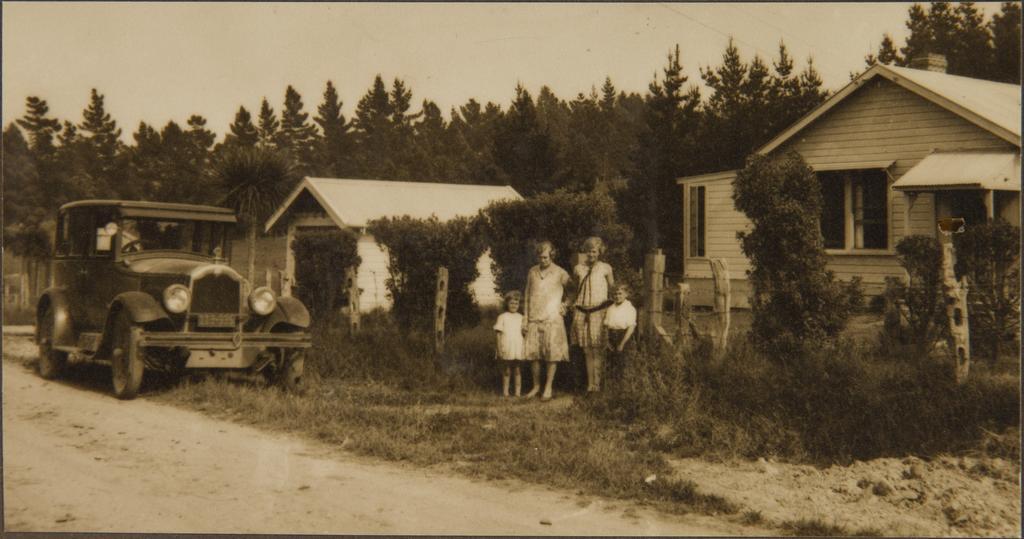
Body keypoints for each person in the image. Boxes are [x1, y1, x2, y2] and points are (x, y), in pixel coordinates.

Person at [522, 241, 570, 401]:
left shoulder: (560, 272)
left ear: (552, 256)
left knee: (552, 354)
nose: (543, 260)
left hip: (552, 319)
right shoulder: (532, 272)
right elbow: (527, 295)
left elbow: (574, 290)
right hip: (534, 318)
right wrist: (525, 318)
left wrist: (566, 305)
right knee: (533, 354)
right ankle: (536, 387)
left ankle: (548, 388)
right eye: (540, 257)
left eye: (546, 257)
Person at [571, 236, 615, 392]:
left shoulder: (606, 268)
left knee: (597, 348)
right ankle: (590, 385)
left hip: (598, 311)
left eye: (594, 251)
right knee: (586, 350)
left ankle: (598, 384)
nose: (591, 254)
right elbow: (575, 291)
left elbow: (613, 290)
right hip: (582, 312)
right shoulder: (578, 268)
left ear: (600, 252)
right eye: (588, 251)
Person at [493, 291, 525, 398]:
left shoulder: (521, 317)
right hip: (506, 347)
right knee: (506, 370)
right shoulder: (502, 317)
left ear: (519, 305)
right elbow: (498, 335)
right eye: (511, 303)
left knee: (517, 370)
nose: (514, 305)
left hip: (518, 347)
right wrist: (499, 349)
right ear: (507, 304)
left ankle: (517, 393)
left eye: (516, 303)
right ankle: (505, 393)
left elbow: (524, 333)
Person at [603, 283, 637, 381]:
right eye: (615, 294)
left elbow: (631, 327)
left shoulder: (629, 308)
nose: (617, 296)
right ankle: (611, 387)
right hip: (611, 336)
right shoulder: (610, 308)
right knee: (611, 363)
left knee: (623, 362)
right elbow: (606, 325)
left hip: (624, 336)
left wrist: (622, 343)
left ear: (626, 294)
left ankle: (623, 387)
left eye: (620, 294)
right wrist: (606, 340)